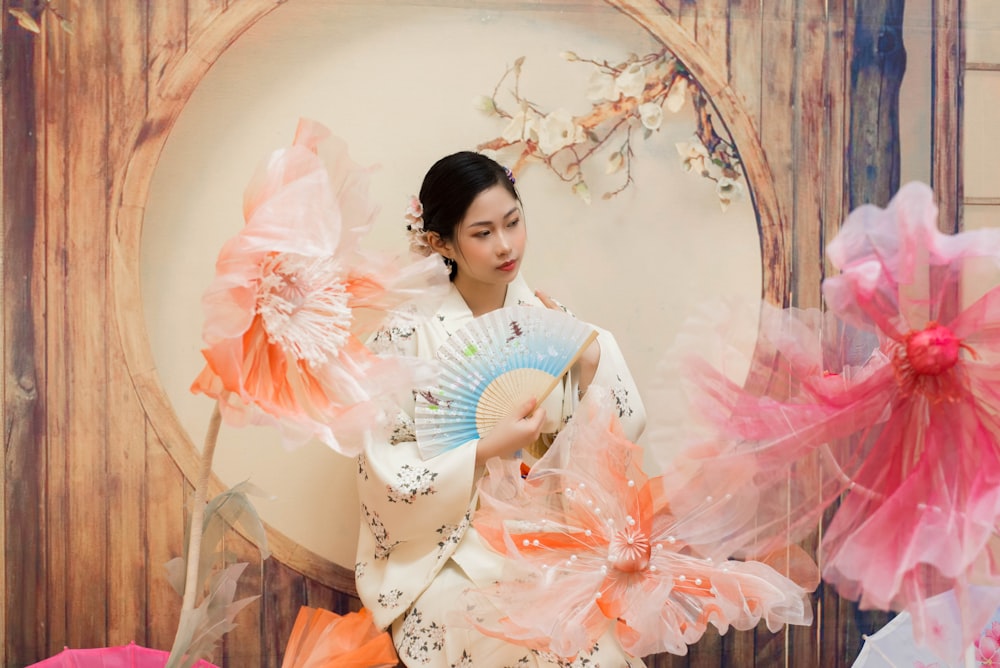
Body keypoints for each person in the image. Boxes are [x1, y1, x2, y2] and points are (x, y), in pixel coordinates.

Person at [354, 151, 647, 667]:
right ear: (440, 242)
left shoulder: (547, 319)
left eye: (513, 222)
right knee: (492, 633)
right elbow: (382, 466)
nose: (506, 245)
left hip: (546, 529)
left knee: (591, 646)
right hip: (450, 544)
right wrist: (486, 449)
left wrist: (590, 362)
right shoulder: (404, 335)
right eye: (482, 233)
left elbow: (614, 436)